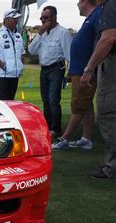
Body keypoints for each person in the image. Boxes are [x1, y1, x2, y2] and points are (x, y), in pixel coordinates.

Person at [52, 0, 102, 151]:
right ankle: (86, 139)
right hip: (78, 70)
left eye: (79, 2)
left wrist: (89, 68)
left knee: (78, 104)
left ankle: (65, 138)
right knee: (85, 105)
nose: (78, 5)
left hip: (85, 71)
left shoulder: (97, 15)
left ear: (86, 2)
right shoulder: (89, 18)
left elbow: (100, 41)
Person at [81, 0, 116, 179]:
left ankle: (112, 168)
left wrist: (89, 69)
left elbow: (109, 37)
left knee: (109, 115)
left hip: (112, 67)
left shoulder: (111, 5)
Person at [28, 6, 72, 139]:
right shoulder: (43, 34)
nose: (43, 20)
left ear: (54, 17)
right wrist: (39, 35)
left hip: (56, 69)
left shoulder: (63, 33)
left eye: (46, 17)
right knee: (46, 100)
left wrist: (70, 72)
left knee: (53, 99)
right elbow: (31, 50)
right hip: (44, 69)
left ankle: (55, 129)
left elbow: (69, 54)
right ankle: (47, 126)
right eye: (41, 18)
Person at [0, 9, 26, 100]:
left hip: (14, 76)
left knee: (10, 102)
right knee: (2, 103)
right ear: (6, 19)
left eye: (17, 18)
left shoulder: (18, 36)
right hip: (1, 77)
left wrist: (19, 66)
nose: (16, 21)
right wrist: (5, 67)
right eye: (14, 18)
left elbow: (22, 53)